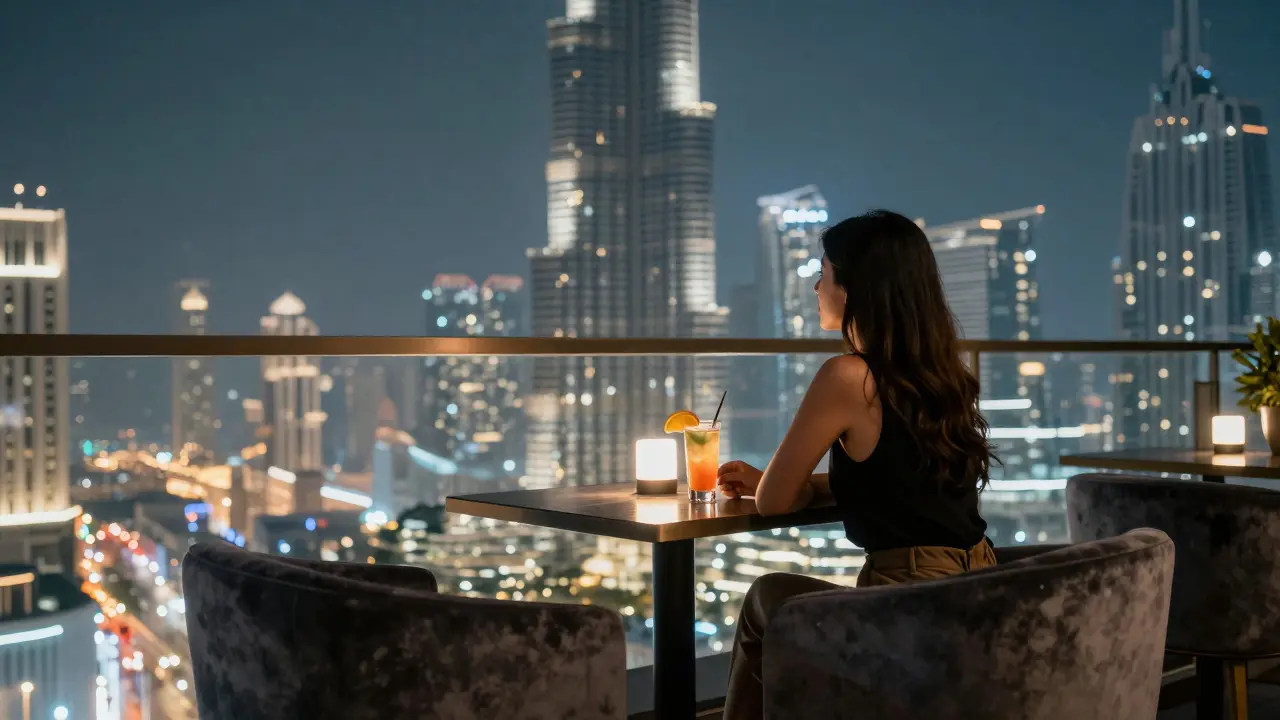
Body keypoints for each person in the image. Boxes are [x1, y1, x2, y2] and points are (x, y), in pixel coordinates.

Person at [717, 209, 997, 720]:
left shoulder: (849, 376)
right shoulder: (939, 374)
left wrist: (782, 484)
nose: (816, 288)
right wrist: (799, 483)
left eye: (822, 273)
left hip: (905, 601)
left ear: (851, 288)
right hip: (978, 585)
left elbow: (774, 503)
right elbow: (899, 482)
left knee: (765, 597)